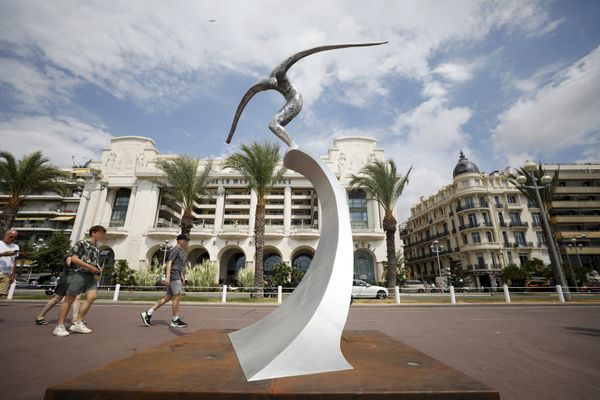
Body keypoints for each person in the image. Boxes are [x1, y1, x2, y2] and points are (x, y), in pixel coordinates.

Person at [52, 225, 106, 337]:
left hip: (90, 276)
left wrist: (97, 267)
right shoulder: (82, 243)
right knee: (70, 298)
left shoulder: (96, 247)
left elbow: (93, 261)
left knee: (92, 297)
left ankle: (78, 322)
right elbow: (74, 259)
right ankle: (59, 326)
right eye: (101, 233)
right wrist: (90, 267)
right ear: (94, 233)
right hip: (78, 273)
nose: (103, 236)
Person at [141, 234, 189, 328]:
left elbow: (177, 265)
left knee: (168, 297)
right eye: (186, 241)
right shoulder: (175, 250)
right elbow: (169, 262)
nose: (187, 242)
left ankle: (148, 313)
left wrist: (182, 275)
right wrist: (167, 277)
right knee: (177, 296)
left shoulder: (180, 250)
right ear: (180, 241)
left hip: (176, 275)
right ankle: (175, 320)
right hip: (173, 277)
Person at [35, 256, 81, 325]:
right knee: (57, 298)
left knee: (76, 298)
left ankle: (75, 319)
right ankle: (40, 316)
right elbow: (69, 263)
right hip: (66, 279)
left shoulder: (83, 257)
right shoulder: (70, 256)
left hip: (75, 280)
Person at [0, 230, 19, 298]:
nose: (12, 239)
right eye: (11, 237)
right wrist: (3, 254)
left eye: (15, 238)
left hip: (7, 274)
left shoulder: (16, 247)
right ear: (5, 235)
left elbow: (14, 262)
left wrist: (13, 275)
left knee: (1, 293)